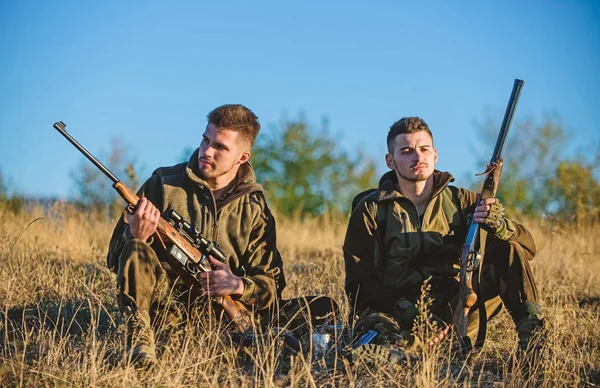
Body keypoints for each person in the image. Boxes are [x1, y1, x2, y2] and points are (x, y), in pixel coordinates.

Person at [107, 104, 336, 368]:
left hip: (224, 315)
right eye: (205, 140)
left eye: (220, 147)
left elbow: (272, 287)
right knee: (136, 248)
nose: (207, 151)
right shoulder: (163, 185)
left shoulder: (254, 208)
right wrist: (135, 235)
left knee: (323, 307)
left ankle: (273, 346)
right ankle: (140, 343)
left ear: (242, 157)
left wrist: (236, 285)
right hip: (168, 307)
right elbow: (114, 257)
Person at [343, 117, 545, 360]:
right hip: (394, 311)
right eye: (406, 151)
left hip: (457, 306)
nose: (418, 157)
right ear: (390, 160)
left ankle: (535, 349)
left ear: (435, 154)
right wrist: (411, 314)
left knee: (506, 249)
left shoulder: (464, 202)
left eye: (424, 149)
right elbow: (360, 285)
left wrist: (500, 226)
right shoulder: (371, 210)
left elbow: (526, 250)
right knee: (371, 339)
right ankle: (408, 353)